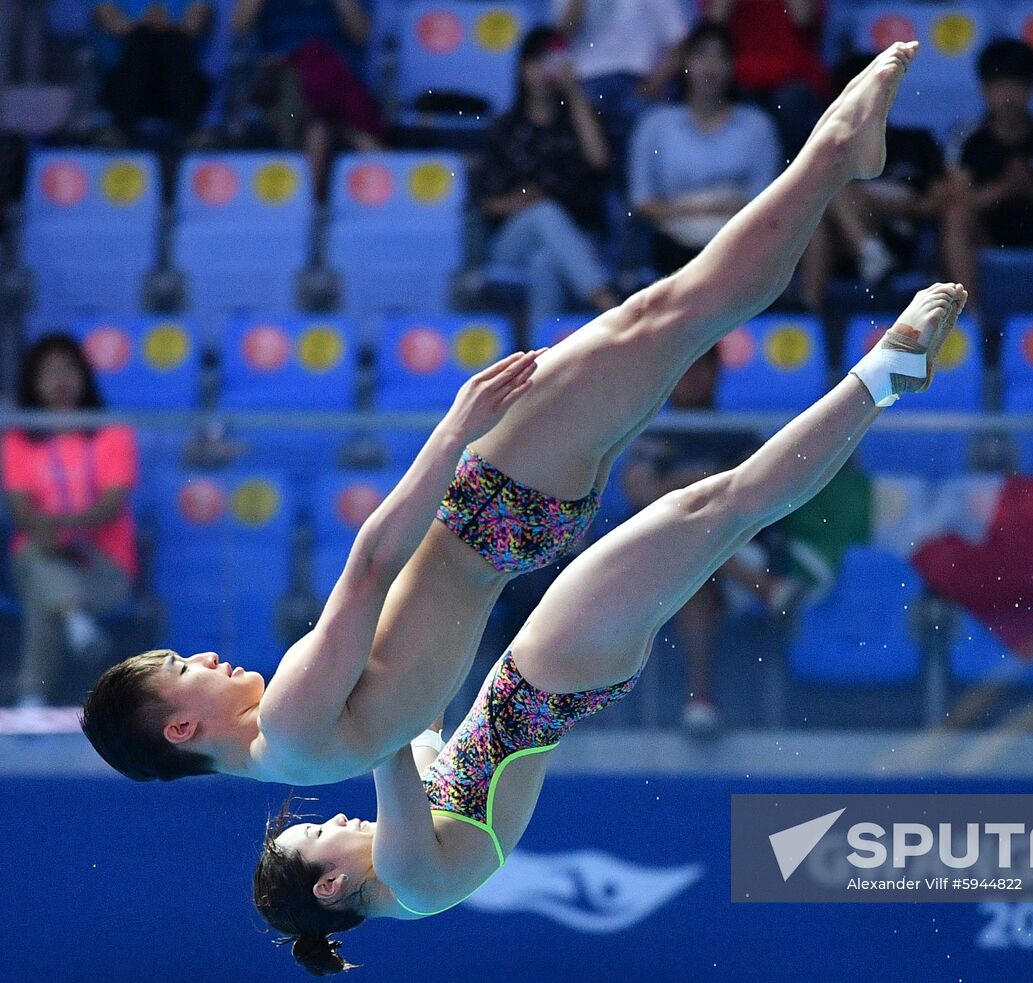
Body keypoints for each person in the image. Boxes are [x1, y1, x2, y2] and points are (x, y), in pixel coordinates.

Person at [80, 43, 924, 789]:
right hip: (486, 511)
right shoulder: (292, 721)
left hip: (516, 537)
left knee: (682, 345)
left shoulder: (302, 761)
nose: (207, 657)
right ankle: (835, 156)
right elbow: (373, 561)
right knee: (669, 315)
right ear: (180, 726)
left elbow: (418, 721)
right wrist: (454, 430)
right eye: (184, 668)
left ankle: (864, 289)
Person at [254, 279, 967, 976]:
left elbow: (416, 714)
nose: (335, 820)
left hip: (558, 672)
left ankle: (866, 371)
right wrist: (313, 719)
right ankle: (882, 374)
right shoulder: (409, 879)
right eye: (318, 835)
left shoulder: (414, 876)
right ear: (330, 886)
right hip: (552, 671)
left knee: (723, 506)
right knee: (722, 505)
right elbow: (384, 742)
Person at [621, 350, 765, 734]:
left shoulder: (741, 434)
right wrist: (707, 482)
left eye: (702, 369)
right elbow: (640, 494)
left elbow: (755, 499)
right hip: (662, 566)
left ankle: (701, 699)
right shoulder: (654, 436)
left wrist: (682, 485)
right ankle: (771, 590)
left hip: (737, 553)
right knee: (691, 561)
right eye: (685, 369)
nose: (692, 379)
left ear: (716, 374)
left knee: (696, 564)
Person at [3, 336, 138, 707]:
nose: (59, 380)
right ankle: (75, 618)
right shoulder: (18, 440)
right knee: (36, 559)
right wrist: (47, 533)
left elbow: (111, 505)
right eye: (49, 373)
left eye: (68, 370)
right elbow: (20, 510)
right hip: (39, 554)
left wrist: (58, 527)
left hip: (103, 566)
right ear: (33, 382)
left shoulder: (112, 434)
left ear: (85, 377)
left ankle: (32, 695)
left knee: (43, 594)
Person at [474, 27, 620, 335]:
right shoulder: (504, 129)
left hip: (579, 238)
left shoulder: (577, 122)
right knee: (544, 213)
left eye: (552, 62)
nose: (544, 72)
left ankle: (538, 362)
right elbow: (485, 202)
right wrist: (523, 201)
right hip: (512, 241)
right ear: (521, 68)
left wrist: (575, 93)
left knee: (545, 263)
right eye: (536, 62)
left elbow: (599, 161)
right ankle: (606, 303)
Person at [944, 38, 1033, 315]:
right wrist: (1003, 189)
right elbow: (958, 199)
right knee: (955, 216)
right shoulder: (967, 136)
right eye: (999, 86)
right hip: (987, 234)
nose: (1008, 96)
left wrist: (1032, 189)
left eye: (1017, 85)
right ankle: (967, 313)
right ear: (984, 89)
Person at [628, 23, 781, 277]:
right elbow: (642, 201)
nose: (711, 66)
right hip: (673, 241)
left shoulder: (757, 125)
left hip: (740, 241)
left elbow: (766, 199)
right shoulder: (654, 124)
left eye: (721, 56)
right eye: (701, 55)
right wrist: (699, 212)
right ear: (685, 63)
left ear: (733, 66)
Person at [801, 54, 948, 313]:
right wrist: (889, 199)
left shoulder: (918, 142)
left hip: (902, 240)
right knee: (821, 215)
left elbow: (941, 202)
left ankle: (872, 255)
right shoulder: (826, 147)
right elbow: (801, 206)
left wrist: (891, 205)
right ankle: (810, 319)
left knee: (834, 190)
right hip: (841, 250)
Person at [230, 0, 385, 197]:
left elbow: (362, 34)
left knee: (319, 116)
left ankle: (304, 205)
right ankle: (311, 203)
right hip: (283, 73)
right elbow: (239, 25)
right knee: (320, 121)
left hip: (333, 73)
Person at [553, 0, 688, 179]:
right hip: (586, 84)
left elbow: (679, 42)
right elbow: (562, 33)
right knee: (582, 162)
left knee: (640, 160)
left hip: (638, 83)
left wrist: (655, 83)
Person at [701, 0, 828, 157]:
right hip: (739, 74)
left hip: (791, 74)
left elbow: (802, 18)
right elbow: (714, 23)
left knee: (790, 103)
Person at [92, 0, 213, 145]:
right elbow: (110, 20)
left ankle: (189, 131)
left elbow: (194, 25)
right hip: (126, 75)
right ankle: (119, 129)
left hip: (178, 75)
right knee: (141, 41)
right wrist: (147, 23)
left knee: (173, 44)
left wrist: (164, 26)